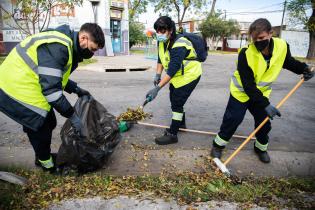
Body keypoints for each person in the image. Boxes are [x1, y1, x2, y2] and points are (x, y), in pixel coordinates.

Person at [0, 23, 105, 172]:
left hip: (28, 85)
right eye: (93, 49)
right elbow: (52, 91)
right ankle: (47, 165)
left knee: (50, 122)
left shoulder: (65, 44)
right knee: (39, 127)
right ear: (83, 38)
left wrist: (76, 89)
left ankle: (43, 156)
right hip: (15, 88)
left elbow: (54, 76)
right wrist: (73, 117)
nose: (92, 53)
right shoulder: (59, 47)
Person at [210, 18, 314, 163]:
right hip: (241, 92)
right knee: (233, 119)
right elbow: (248, 86)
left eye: (261, 38)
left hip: (261, 94)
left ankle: (260, 148)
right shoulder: (245, 53)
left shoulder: (282, 46)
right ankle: (218, 146)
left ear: (271, 33)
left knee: (264, 122)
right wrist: (265, 105)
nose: (257, 42)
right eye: (254, 39)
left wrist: (304, 69)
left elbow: (288, 62)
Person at [145, 16, 202, 145]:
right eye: (157, 30)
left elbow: (172, 69)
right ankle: (181, 123)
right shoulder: (162, 41)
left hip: (190, 75)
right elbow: (160, 58)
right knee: (173, 97)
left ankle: (173, 134)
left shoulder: (180, 43)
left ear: (170, 30)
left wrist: (157, 88)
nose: (159, 33)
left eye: (162, 30)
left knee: (177, 102)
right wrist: (157, 75)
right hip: (178, 76)